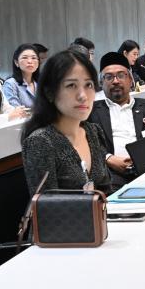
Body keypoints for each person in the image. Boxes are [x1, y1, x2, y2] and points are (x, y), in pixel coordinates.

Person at [21, 50, 112, 194]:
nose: (83, 96)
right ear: (50, 93)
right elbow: (47, 204)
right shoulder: (41, 142)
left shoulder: (93, 131)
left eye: (88, 85)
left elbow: (106, 191)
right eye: (71, 85)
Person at [87, 52, 145, 187]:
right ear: (101, 83)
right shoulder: (91, 112)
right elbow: (85, 144)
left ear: (131, 80)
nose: (115, 81)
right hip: (111, 176)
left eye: (121, 75)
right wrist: (108, 158)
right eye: (109, 77)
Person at [3, 44, 40, 109]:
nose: (30, 61)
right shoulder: (10, 84)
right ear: (16, 62)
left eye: (33, 58)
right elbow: (16, 110)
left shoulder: (41, 83)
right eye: (25, 58)